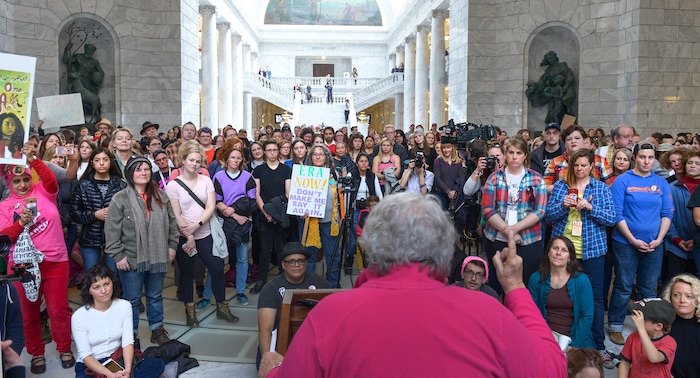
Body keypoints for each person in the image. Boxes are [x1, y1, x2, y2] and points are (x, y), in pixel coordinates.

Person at [258, 194, 567, 377]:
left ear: (371, 248)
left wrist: (271, 369)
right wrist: (514, 287)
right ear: (446, 251)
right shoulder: (486, 312)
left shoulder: (331, 315)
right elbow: (553, 368)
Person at [0, 143, 75, 374]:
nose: (22, 185)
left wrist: (34, 159)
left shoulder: (43, 190)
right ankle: (36, 353)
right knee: (29, 312)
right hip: (22, 267)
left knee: (58, 309)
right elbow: (3, 239)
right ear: (8, 183)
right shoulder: (4, 206)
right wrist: (20, 223)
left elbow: (52, 180)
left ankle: (64, 348)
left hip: (55, 261)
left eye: (25, 180)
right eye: (16, 181)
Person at [545, 148, 615, 364]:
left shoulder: (601, 188)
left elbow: (611, 218)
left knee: (594, 298)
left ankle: (598, 345)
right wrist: (563, 205)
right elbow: (549, 215)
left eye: (583, 165)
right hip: (563, 251)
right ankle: (562, 340)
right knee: (564, 293)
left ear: (591, 167)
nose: (579, 169)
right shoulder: (561, 186)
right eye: (576, 165)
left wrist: (590, 207)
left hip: (592, 250)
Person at [104, 156, 179, 347]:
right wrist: (118, 256)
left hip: (158, 255)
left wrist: (172, 246)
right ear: (130, 173)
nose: (143, 173)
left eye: (146, 169)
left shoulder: (161, 196)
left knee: (155, 295)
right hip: (130, 258)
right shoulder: (120, 199)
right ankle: (132, 335)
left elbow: (172, 223)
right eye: (138, 169)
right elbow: (111, 231)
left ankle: (157, 329)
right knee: (132, 299)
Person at [166, 141, 239, 326]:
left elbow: (211, 206)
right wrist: (188, 235)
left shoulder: (206, 180)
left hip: (205, 233)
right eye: (191, 160)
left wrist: (197, 225)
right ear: (183, 160)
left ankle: (222, 307)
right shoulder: (173, 186)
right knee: (187, 274)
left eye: (198, 161)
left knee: (216, 269)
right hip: (185, 236)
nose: (194, 164)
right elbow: (176, 214)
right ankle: (190, 312)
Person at [608, 141, 673, 346]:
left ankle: (646, 327)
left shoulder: (661, 183)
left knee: (648, 288)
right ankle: (616, 325)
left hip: (654, 244)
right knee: (624, 285)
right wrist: (633, 240)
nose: (646, 161)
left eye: (650, 158)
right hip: (626, 243)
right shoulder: (622, 181)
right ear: (635, 158)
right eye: (642, 157)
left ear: (655, 160)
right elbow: (617, 214)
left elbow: (666, 213)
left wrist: (659, 239)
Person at [71, 266, 165, 378]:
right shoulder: (79, 316)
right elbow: (86, 355)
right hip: (91, 363)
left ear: (113, 283)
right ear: (89, 291)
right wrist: (110, 375)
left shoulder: (124, 306)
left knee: (157, 364)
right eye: (96, 287)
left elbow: (128, 342)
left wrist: (128, 370)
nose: (103, 291)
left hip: (117, 358)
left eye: (106, 284)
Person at [481, 136, 547, 294]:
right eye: (511, 152)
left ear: (525, 155)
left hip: (528, 238)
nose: (514, 156)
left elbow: (539, 211)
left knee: (525, 284)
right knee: (497, 284)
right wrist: (506, 230)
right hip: (497, 237)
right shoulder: (494, 178)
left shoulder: (536, 179)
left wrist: (515, 229)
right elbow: (488, 209)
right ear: (505, 154)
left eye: (519, 153)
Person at [256, 242, 330, 369]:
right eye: (291, 261)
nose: (297, 264)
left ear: (306, 263)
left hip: (312, 341)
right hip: (281, 342)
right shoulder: (271, 288)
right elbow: (265, 328)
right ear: (283, 265)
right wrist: (268, 358)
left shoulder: (321, 283)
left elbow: (331, 319)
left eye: (301, 260)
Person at [528, 236, 594, 349]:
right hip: (545, 335)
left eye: (564, 250)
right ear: (548, 253)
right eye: (555, 248)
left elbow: (587, 316)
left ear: (569, 258)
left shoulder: (581, 280)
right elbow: (532, 313)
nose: (558, 253)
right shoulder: (536, 278)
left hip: (574, 337)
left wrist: (573, 346)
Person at [71, 147, 126, 274]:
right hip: (90, 238)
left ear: (110, 162)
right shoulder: (83, 185)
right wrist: (94, 215)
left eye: (105, 160)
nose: (101, 163)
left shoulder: (120, 184)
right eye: (97, 160)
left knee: (114, 275)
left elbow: (128, 212)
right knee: (92, 276)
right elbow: (74, 213)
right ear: (92, 163)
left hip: (114, 239)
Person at [212, 146, 256, 306]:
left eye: (238, 158)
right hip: (225, 221)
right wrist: (234, 214)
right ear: (226, 159)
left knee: (243, 258)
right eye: (233, 157)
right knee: (217, 257)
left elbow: (251, 201)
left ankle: (240, 291)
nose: (236, 161)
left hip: (244, 221)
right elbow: (216, 200)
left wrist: (236, 210)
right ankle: (209, 293)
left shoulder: (247, 177)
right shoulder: (218, 176)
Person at [251, 140, 292, 293]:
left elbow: (287, 193)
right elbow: (257, 193)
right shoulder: (259, 170)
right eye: (269, 150)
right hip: (264, 214)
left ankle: (283, 277)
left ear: (279, 151)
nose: (272, 153)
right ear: (265, 152)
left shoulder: (286, 170)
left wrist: (278, 213)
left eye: (275, 150)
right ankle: (262, 279)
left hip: (281, 214)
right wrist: (265, 212)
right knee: (265, 248)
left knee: (281, 248)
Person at [300, 145, 342, 287]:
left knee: (332, 256)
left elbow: (340, 197)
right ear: (311, 157)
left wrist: (341, 216)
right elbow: (299, 197)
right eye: (315, 154)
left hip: (330, 221)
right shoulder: (304, 174)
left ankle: (332, 284)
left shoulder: (334, 174)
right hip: (311, 222)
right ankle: (309, 285)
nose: (318, 156)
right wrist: (301, 211)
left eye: (321, 154)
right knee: (309, 256)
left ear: (326, 157)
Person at [618, 298, 677, 378]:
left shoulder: (669, 342)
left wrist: (641, 329)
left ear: (658, 326)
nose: (636, 319)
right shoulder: (633, 337)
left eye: (642, 318)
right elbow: (625, 363)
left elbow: (654, 358)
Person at [665, 151, 700, 279]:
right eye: (690, 163)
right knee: (673, 282)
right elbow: (666, 216)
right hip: (676, 245)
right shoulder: (671, 188)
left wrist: (695, 239)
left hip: (698, 242)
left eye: (697, 163)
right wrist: (677, 239)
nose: (692, 166)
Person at [660, 274, 700, 378]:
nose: (682, 300)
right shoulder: (661, 325)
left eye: (688, 296)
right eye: (676, 295)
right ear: (670, 298)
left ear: (697, 299)